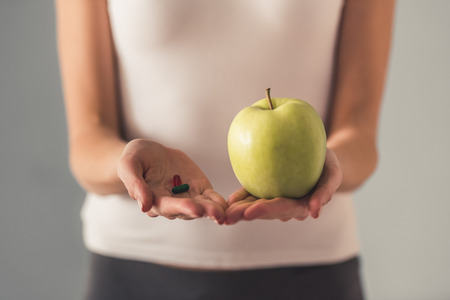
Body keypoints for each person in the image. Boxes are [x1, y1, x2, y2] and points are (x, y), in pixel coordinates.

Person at [55, 0, 395, 299]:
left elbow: (359, 136)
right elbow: (87, 143)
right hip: (132, 272)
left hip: (312, 274)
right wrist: (130, 167)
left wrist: (328, 166)